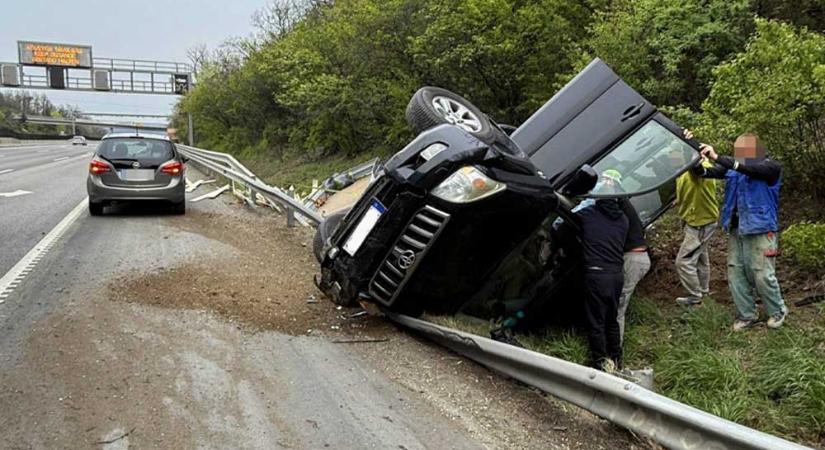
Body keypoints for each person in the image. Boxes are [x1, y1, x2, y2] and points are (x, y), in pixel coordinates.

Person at [686, 130, 787, 330]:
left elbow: (746, 169)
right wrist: (691, 150)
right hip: (736, 230)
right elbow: (706, 172)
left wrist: (717, 157)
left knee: (762, 273)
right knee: (736, 274)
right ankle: (747, 315)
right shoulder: (733, 171)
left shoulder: (770, 167)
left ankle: (778, 311)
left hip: (761, 229)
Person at [574, 172, 629, 370]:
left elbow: (561, 223)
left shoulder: (588, 213)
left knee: (595, 320)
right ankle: (617, 359)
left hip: (596, 273)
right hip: (616, 275)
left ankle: (600, 361)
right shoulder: (623, 220)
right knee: (611, 318)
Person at [673, 145, 720, 307]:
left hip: (700, 222)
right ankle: (704, 292)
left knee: (684, 261)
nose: (671, 156)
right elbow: (689, 188)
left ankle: (695, 298)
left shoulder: (701, 168)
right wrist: (680, 200)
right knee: (700, 258)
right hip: (695, 219)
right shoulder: (683, 169)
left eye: (674, 152)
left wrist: (689, 142)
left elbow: (696, 174)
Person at [617, 197, 650, 344]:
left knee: (619, 306)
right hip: (637, 257)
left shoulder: (620, 206)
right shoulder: (626, 208)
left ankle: (615, 349)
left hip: (634, 260)